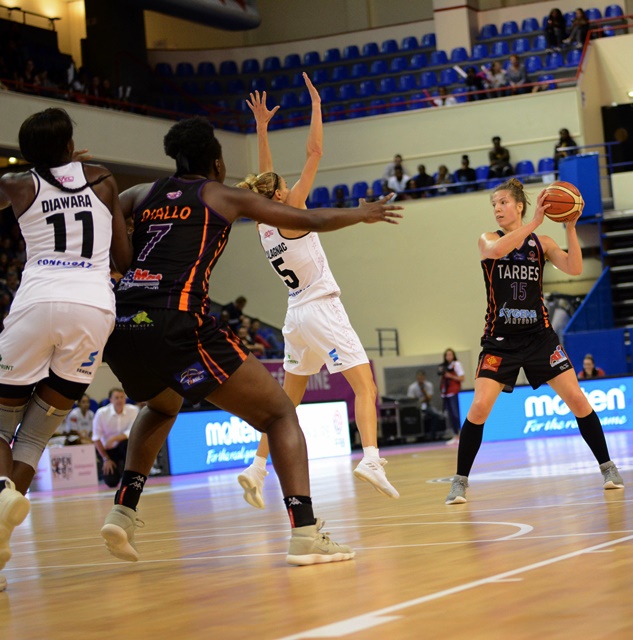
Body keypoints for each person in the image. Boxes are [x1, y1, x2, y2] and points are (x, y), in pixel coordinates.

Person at [98, 115, 402, 567]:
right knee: (280, 413)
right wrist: (361, 213)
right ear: (217, 163)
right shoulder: (220, 194)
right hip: (177, 319)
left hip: (123, 323)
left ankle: (122, 511)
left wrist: (120, 266)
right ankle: (305, 534)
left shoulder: (141, 194)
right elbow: (308, 217)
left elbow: (99, 218)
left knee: (162, 405)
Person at [235, 84, 400, 503]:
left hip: (295, 316)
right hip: (320, 307)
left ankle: (255, 468)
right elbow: (314, 154)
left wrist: (262, 130)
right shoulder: (290, 213)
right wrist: (317, 106)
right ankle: (371, 458)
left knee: (286, 403)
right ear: (279, 197)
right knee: (365, 388)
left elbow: (261, 180)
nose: (292, 189)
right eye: (286, 188)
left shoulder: (262, 224)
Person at [0, 107, 132, 591]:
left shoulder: (18, 184)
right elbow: (122, 258)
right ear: (70, 144)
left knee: (0, 422)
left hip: (37, 303)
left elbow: (36, 182)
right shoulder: (102, 180)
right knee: (34, 437)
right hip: (94, 310)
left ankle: (1, 493)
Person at [445, 178, 624, 504]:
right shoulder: (488, 239)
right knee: (480, 406)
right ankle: (460, 481)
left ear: (519, 206)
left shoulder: (540, 243)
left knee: (578, 401)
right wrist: (536, 222)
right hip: (500, 340)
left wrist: (570, 227)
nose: (497, 209)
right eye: (494, 204)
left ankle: (608, 467)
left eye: (502, 203)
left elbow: (574, 266)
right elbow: (497, 251)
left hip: (540, 337)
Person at [92, 388, 139, 487]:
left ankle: (131, 475)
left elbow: (133, 431)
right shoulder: (101, 413)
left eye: (122, 397)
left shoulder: (133, 410)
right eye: (116, 398)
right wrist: (106, 459)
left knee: (128, 444)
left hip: (124, 446)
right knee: (111, 481)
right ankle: (116, 470)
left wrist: (114, 438)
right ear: (110, 400)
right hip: (108, 450)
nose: (120, 400)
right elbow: (96, 439)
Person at [407, 370, 445, 441]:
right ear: (416, 378)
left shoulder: (429, 385)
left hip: (427, 405)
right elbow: (411, 400)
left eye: (422, 377)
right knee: (414, 417)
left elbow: (429, 398)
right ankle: (418, 436)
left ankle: (432, 435)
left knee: (436, 415)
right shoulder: (412, 387)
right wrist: (419, 401)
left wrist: (424, 392)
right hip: (416, 407)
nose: (420, 379)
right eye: (419, 377)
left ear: (424, 377)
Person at [439, 348, 465, 445]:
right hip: (446, 393)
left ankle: (461, 434)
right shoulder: (444, 366)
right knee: (450, 415)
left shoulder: (456, 364)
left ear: (453, 355)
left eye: (450, 355)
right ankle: (455, 435)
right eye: (447, 355)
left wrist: (450, 376)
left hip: (454, 392)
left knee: (456, 414)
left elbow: (462, 378)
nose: (449, 357)